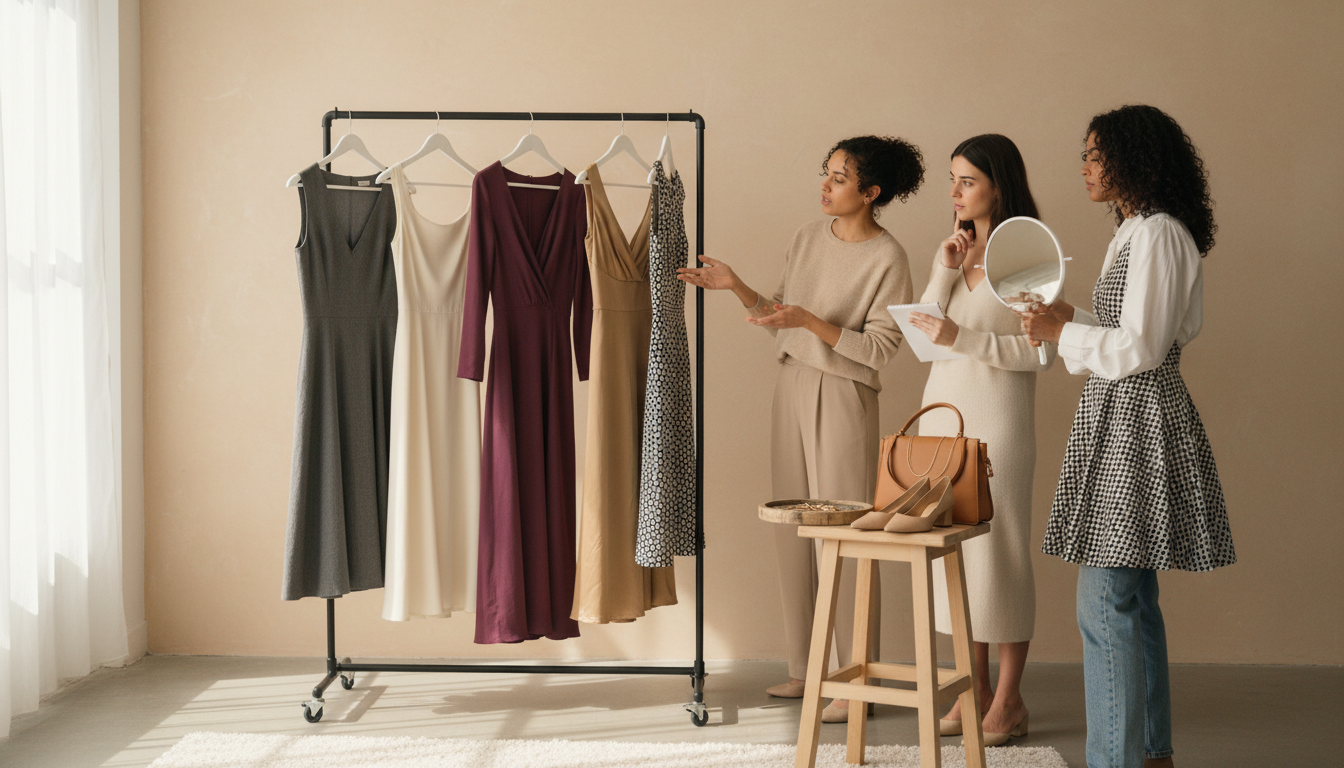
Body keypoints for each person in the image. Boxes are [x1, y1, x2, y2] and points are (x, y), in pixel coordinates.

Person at [678, 136, 922, 722]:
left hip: (844, 395)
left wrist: (810, 320)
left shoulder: (889, 258)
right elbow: (778, 317)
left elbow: (883, 350)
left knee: (845, 533)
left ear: (871, 193)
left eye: (839, 178)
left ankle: (853, 680)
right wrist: (735, 286)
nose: (825, 185)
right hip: (791, 384)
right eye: (826, 173)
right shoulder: (807, 238)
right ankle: (805, 668)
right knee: (793, 528)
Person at [1021, 105, 1236, 768]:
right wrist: (1069, 320)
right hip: (1121, 416)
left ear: (1133, 159)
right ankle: (1151, 753)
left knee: (1105, 605)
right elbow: (1126, 334)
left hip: (1139, 418)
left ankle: (1118, 761)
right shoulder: (1135, 230)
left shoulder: (1160, 235)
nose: (1084, 168)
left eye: (1095, 155)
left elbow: (1142, 348)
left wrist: (1066, 334)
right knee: (1132, 601)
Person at [905, 134, 1049, 745]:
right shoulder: (955, 251)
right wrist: (943, 266)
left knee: (1002, 555)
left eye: (968, 180)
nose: (956, 192)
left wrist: (961, 339)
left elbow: (1039, 353)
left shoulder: (1027, 252)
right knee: (958, 558)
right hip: (943, 416)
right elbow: (921, 339)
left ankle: (1010, 700)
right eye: (953, 180)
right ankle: (976, 688)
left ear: (999, 184)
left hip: (999, 422)